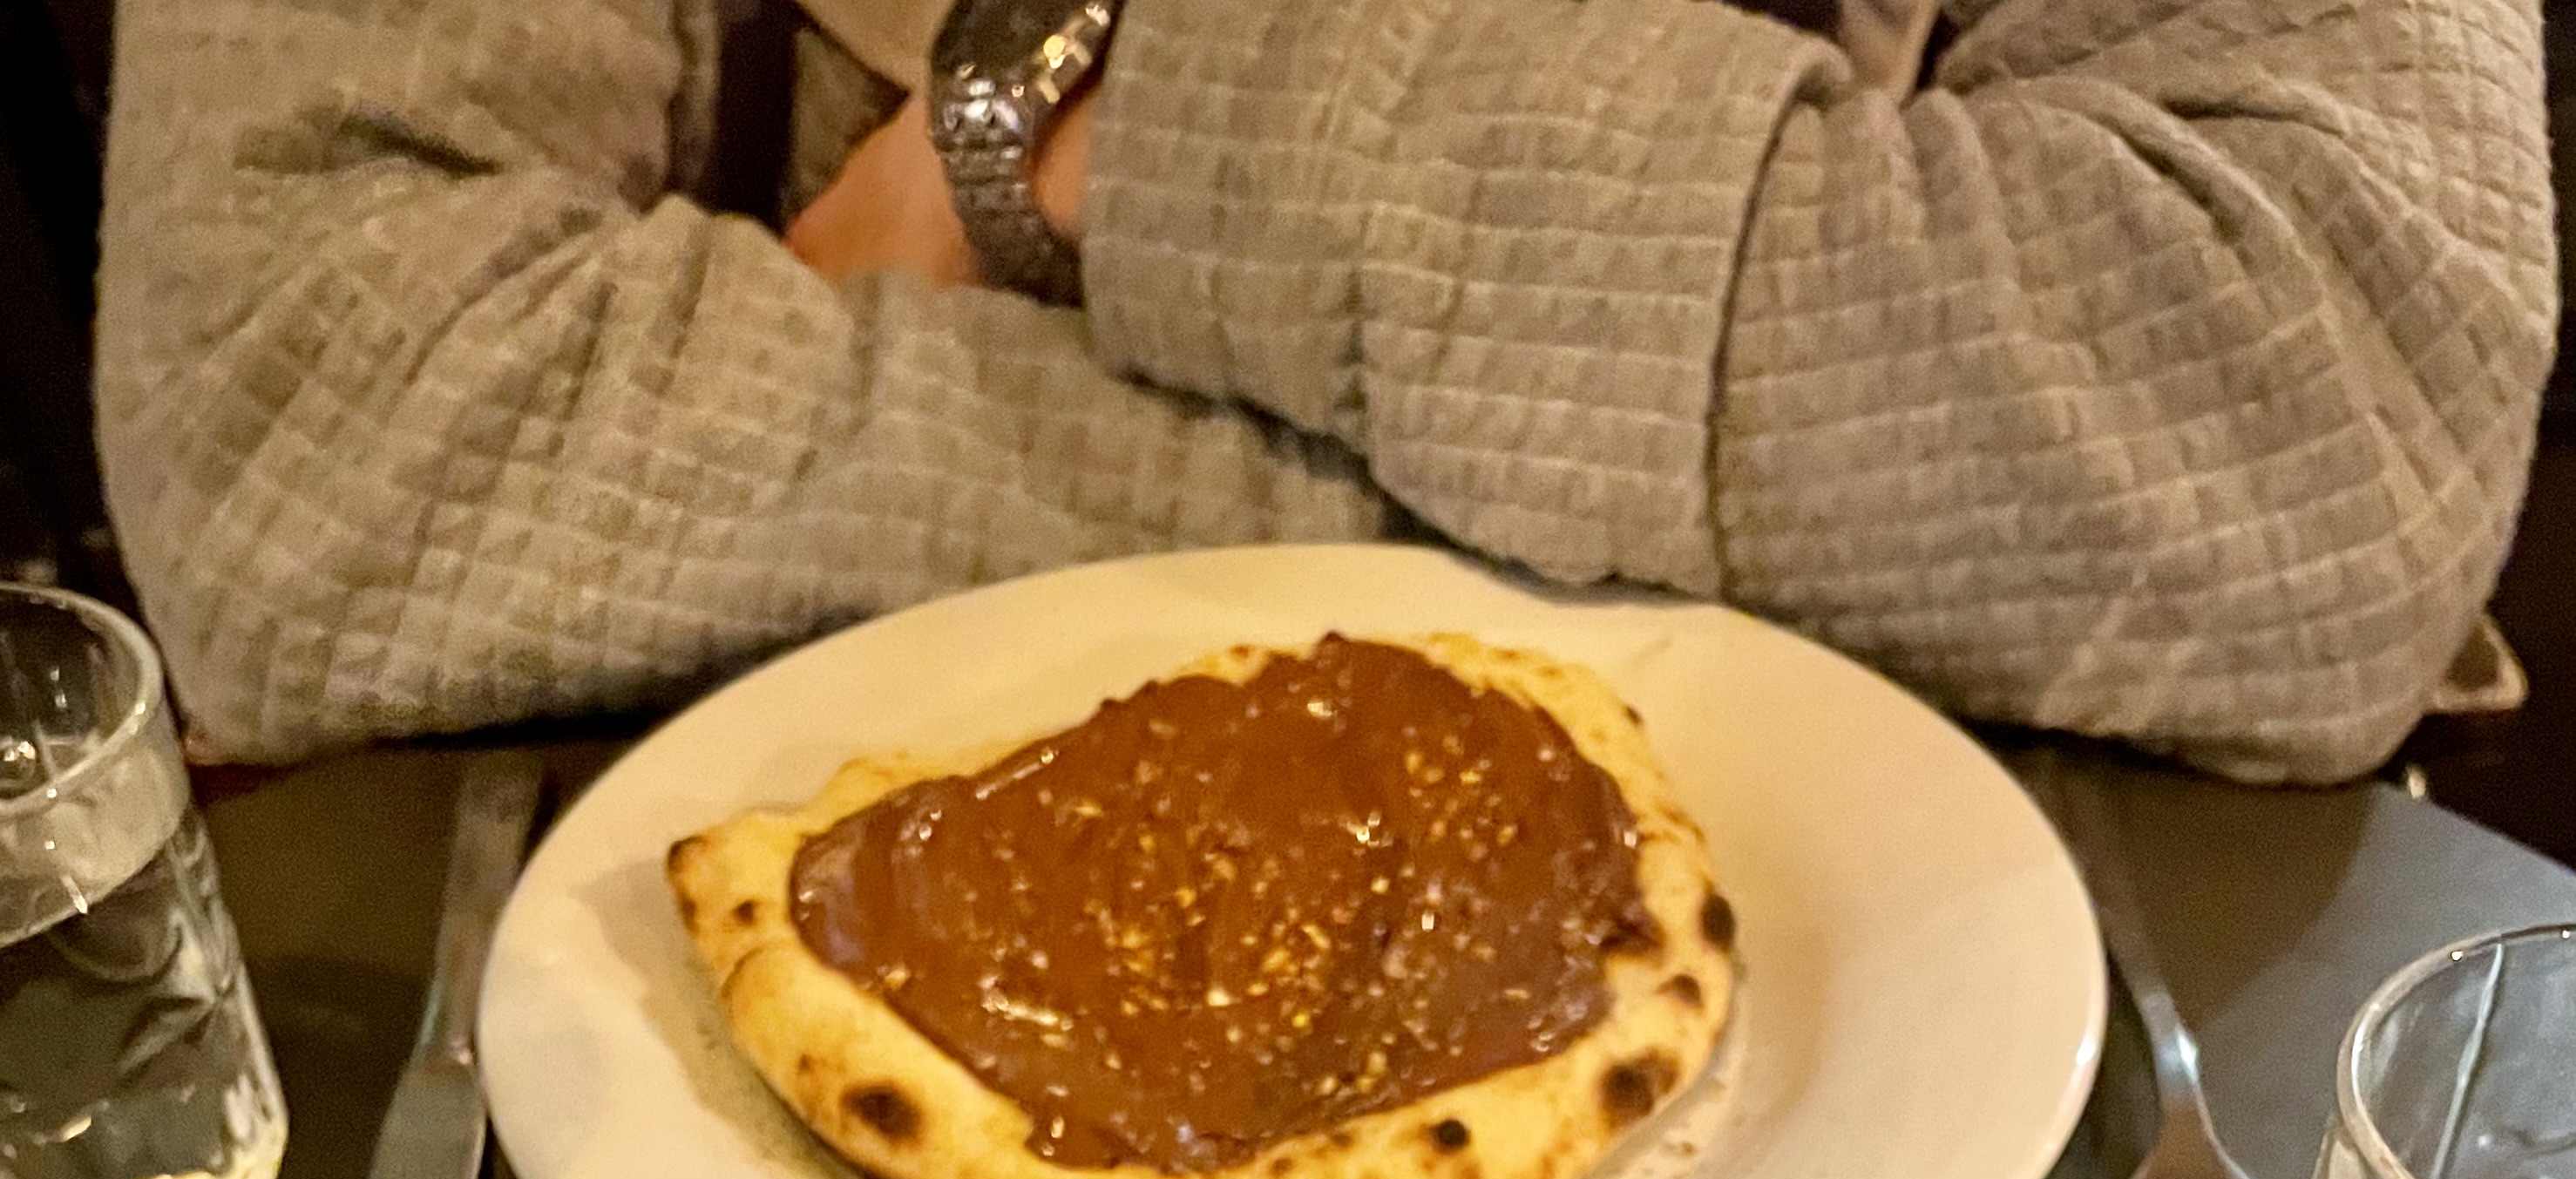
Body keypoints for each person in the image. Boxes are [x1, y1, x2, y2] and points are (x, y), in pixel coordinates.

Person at [95, 0, 2554, 782]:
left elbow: (2313, 432)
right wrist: (1834, 508)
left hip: (1912, 1087)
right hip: (702, 1061)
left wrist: (1099, 138)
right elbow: (326, 440)